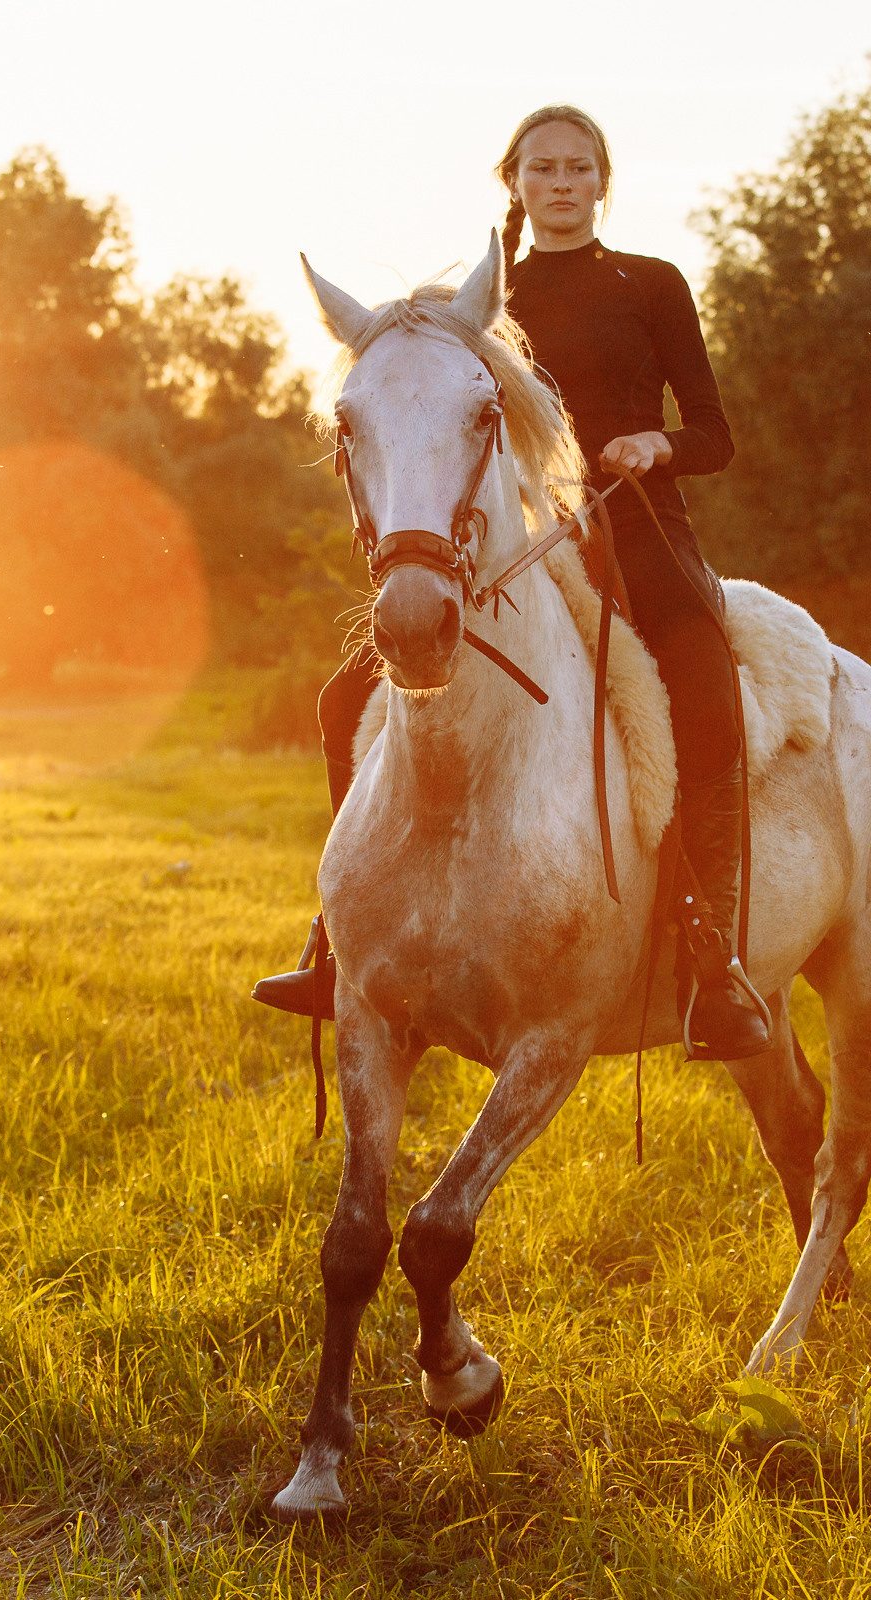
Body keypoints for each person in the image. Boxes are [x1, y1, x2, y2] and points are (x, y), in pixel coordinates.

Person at [254, 104, 773, 1060]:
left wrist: (657, 443)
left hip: (639, 529)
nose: (562, 183)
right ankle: (340, 943)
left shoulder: (654, 283)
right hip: (513, 543)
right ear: (516, 183)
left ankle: (713, 961)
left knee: (707, 699)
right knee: (343, 703)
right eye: (543, 168)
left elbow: (716, 432)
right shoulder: (480, 304)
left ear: (603, 182)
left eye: (579, 167)